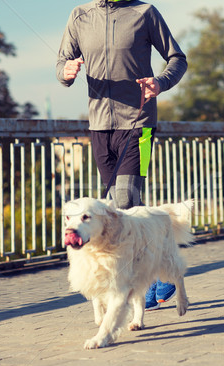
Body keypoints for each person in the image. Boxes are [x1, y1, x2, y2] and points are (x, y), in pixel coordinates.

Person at [56, 0, 187, 310]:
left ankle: (150, 275)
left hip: (138, 122)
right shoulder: (80, 15)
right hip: (99, 125)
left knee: (126, 198)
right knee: (119, 206)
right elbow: (61, 62)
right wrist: (67, 71)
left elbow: (177, 58)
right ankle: (157, 264)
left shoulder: (144, 13)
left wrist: (160, 82)